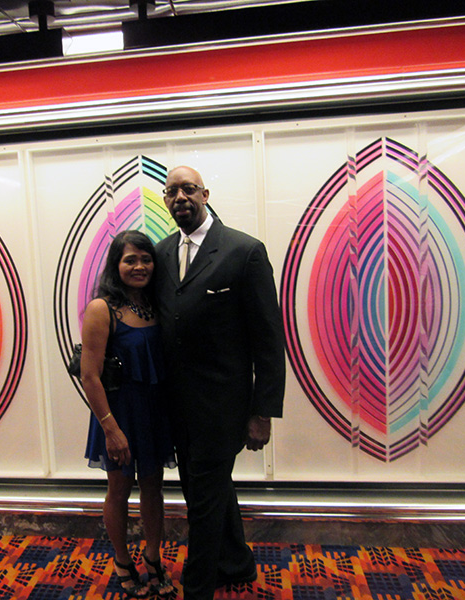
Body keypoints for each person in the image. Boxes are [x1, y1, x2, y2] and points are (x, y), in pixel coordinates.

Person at [154, 166, 286, 600]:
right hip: (177, 407)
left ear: (205, 194)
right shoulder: (161, 253)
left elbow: (269, 339)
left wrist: (262, 413)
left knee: (204, 501)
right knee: (205, 490)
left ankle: (198, 588)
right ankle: (236, 563)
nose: (180, 197)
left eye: (188, 189)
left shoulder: (244, 251)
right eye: (171, 191)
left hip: (223, 408)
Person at [82, 229, 177, 598]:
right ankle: (123, 562)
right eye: (130, 260)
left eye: (146, 259)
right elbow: (90, 376)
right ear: (116, 265)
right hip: (118, 414)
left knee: (153, 487)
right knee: (119, 488)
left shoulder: (157, 304)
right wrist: (110, 428)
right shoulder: (102, 308)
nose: (140, 266)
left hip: (154, 411)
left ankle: (153, 557)